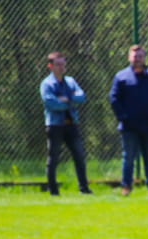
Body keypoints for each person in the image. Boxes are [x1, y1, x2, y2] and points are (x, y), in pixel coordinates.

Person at [109, 44, 148, 196]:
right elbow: (114, 99)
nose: (137, 59)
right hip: (129, 127)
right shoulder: (121, 77)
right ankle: (126, 186)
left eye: (140, 56)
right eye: (135, 56)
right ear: (129, 58)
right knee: (128, 158)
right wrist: (123, 117)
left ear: (144, 58)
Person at [40, 51, 91, 196]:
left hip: (71, 125)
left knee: (79, 156)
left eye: (63, 64)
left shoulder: (71, 81)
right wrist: (70, 101)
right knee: (53, 158)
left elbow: (81, 97)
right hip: (55, 126)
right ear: (50, 66)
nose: (61, 67)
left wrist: (64, 99)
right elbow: (51, 103)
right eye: (58, 64)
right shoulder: (46, 84)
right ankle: (53, 190)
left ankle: (84, 189)